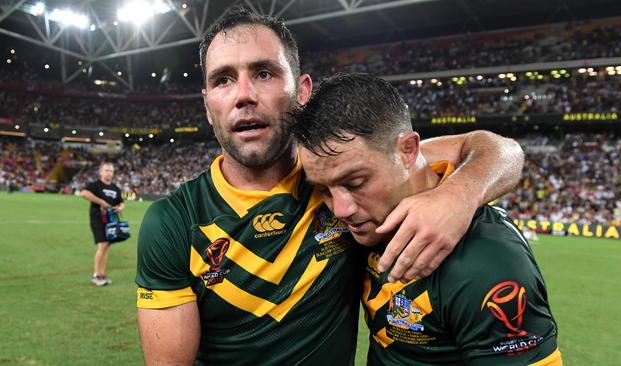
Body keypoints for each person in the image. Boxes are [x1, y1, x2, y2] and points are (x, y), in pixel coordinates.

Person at [136, 7, 524, 365]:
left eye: (264, 73)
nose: (244, 95)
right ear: (207, 106)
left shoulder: (346, 177)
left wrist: (457, 196)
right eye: (223, 80)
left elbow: (498, 150)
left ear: (303, 91)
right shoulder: (174, 222)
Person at [293, 73, 561, 365]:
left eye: (356, 182)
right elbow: (474, 145)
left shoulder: (485, 265)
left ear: (408, 151)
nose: (340, 210)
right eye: (324, 190)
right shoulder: (375, 210)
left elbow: (503, 149)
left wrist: (459, 196)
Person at [80, 162, 124, 286]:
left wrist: (120, 207)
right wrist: (101, 202)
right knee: (103, 245)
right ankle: (96, 275)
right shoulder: (95, 185)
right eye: (106, 170)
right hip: (98, 219)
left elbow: (121, 202)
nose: (109, 173)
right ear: (101, 172)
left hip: (111, 220)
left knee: (106, 246)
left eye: (111, 171)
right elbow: (84, 193)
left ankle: (102, 275)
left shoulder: (115, 188)